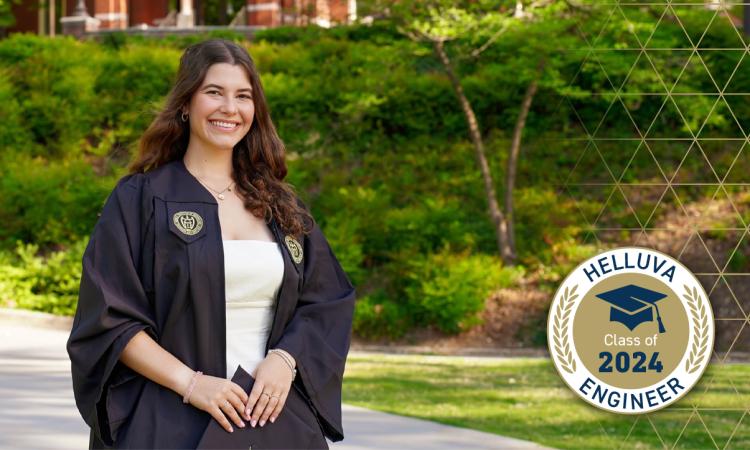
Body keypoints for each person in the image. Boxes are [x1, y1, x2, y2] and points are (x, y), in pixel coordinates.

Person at [66, 38, 356, 449]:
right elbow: (109, 318)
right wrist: (193, 384)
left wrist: (286, 360)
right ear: (186, 103)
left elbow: (327, 300)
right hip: (170, 420)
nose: (229, 109)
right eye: (213, 92)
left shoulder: (280, 206)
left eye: (243, 96)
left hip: (274, 419)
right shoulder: (142, 199)